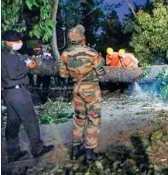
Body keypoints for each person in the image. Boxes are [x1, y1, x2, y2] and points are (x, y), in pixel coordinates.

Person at [1, 30, 54, 163]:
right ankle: (37, 149)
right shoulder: (10, 56)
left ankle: (13, 153)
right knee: (31, 120)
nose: (20, 43)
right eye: (16, 41)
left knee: (13, 123)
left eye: (20, 41)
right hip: (18, 92)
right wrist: (28, 67)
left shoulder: (4, 54)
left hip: (9, 93)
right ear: (8, 42)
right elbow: (14, 75)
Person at [59, 24, 105, 164]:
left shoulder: (65, 54)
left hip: (77, 88)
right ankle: (89, 153)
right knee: (93, 118)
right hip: (90, 89)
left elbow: (63, 75)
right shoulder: (92, 53)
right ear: (83, 38)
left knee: (79, 118)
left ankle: (75, 150)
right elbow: (101, 74)